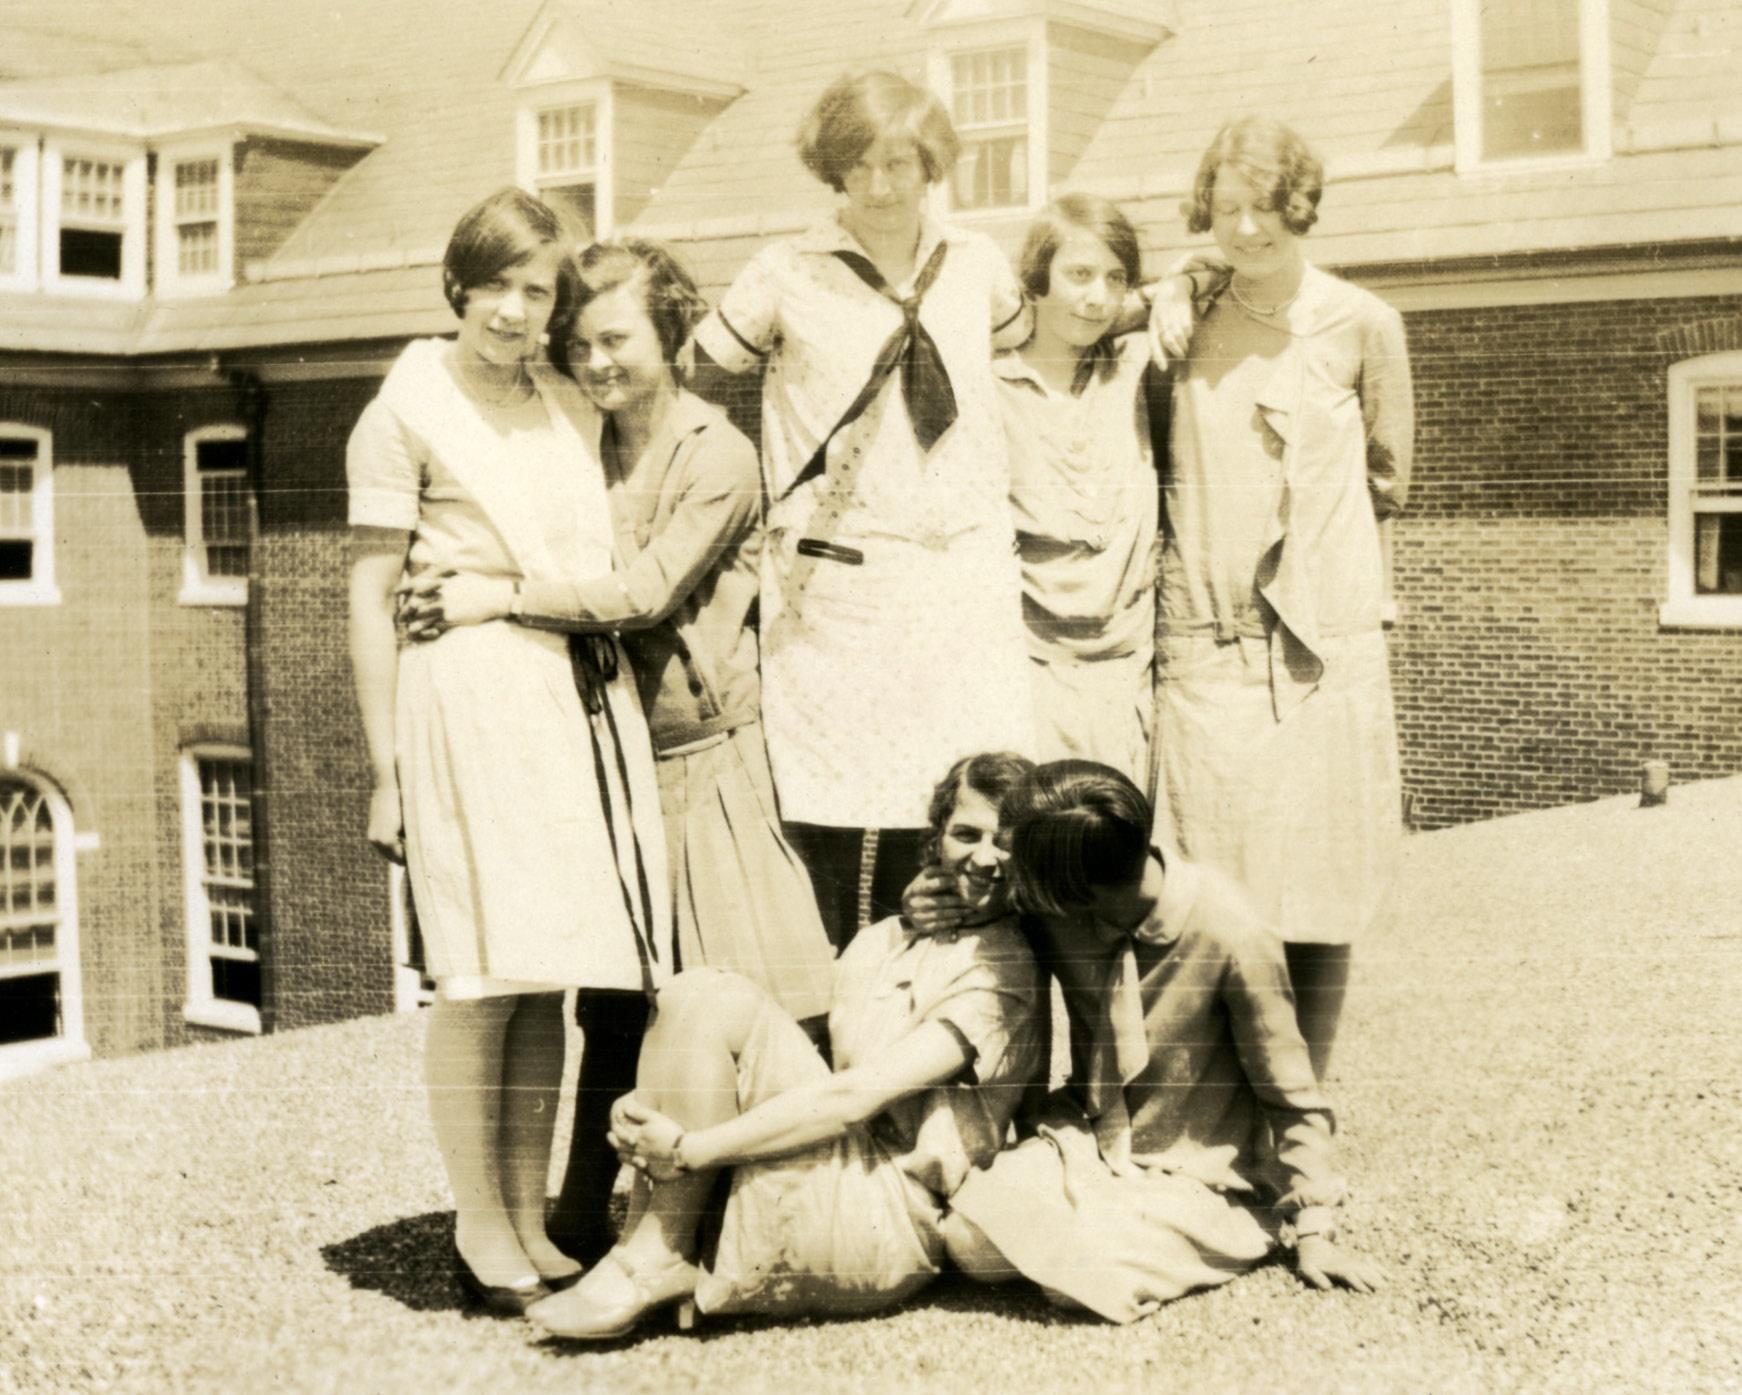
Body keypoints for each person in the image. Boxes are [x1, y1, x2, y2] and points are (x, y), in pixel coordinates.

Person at [397, 238, 837, 1262]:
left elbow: (642, 594)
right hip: (596, 757)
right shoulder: (575, 440)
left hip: (700, 760)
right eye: (577, 343)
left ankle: (758, 1222)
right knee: (605, 1002)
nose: (593, 362)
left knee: (731, 994)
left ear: (672, 332)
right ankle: (583, 1211)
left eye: (615, 338)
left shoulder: (714, 454)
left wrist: (495, 596)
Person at [346, 189, 670, 1312]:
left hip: (558, 696)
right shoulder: (404, 408)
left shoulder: (558, 400)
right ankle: (478, 1232)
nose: (516, 310)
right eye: (498, 285)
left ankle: (529, 1218)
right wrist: (386, 771)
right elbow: (370, 590)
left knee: (542, 975)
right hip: (465, 700)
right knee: (479, 979)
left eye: (537, 291)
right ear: (458, 283)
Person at [685, 70, 1040, 951]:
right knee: (844, 802)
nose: (879, 186)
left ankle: (958, 1008)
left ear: (932, 166)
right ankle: (851, 1017)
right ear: (831, 172)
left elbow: (1045, 346)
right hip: (842, 584)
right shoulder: (784, 272)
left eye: (899, 163)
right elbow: (695, 378)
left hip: (960, 572)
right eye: (858, 166)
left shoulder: (980, 264)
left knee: (965, 793)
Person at [527, 752, 1046, 1339]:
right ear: (937, 839)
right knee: (696, 990)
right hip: (839, 1168)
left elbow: (852, 1098)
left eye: (1006, 841)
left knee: (719, 998)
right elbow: (809, 1060)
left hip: (890, 1216)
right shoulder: (889, 937)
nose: (984, 858)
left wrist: (689, 1148)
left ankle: (651, 1258)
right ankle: (648, 1251)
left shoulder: (1005, 971)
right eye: (966, 834)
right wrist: (654, 1100)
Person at [940, 760, 1385, 1323]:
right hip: (1086, 1143)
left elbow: (1293, 1096)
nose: (1003, 869)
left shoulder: (1232, 930)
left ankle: (1172, 1234)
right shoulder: (1058, 905)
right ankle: (1103, 1224)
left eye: (1018, 865)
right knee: (967, 1239)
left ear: (1076, 890)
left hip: (1199, 1174)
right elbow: (969, 898)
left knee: (1081, 1275)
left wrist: (1316, 1227)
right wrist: (918, 897)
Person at [1155, 116, 1413, 1077]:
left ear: (1298, 206)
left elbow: (1389, 478)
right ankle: (1218, 1111)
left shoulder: (1364, 323)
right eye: (1226, 208)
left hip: (1322, 651)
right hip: (1209, 646)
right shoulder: (1177, 320)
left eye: (1266, 207)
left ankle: (1307, 1109)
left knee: (1322, 883)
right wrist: (1176, 286)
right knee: (1215, 885)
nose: (1247, 228)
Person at [1000, 195, 1164, 786]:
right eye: (1078, 275)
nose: (1097, 295)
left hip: (1127, 671)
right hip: (1030, 670)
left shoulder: (1137, 367)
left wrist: (1176, 289)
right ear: (1035, 281)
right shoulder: (987, 386)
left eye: (1115, 278)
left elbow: (1214, 273)